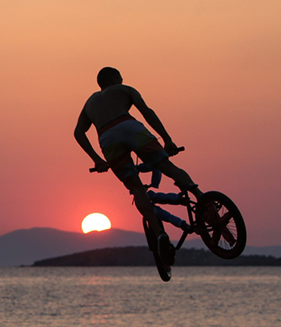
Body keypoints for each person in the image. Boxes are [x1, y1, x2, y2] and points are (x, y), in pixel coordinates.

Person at [74, 66, 200, 265]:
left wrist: (96, 159)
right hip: (129, 126)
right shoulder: (124, 89)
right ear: (114, 79)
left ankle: (159, 233)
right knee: (167, 167)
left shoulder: (90, 102)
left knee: (136, 188)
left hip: (107, 138)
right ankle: (202, 200)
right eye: (120, 77)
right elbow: (147, 112)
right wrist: (167, 139)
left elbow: (78, 133)